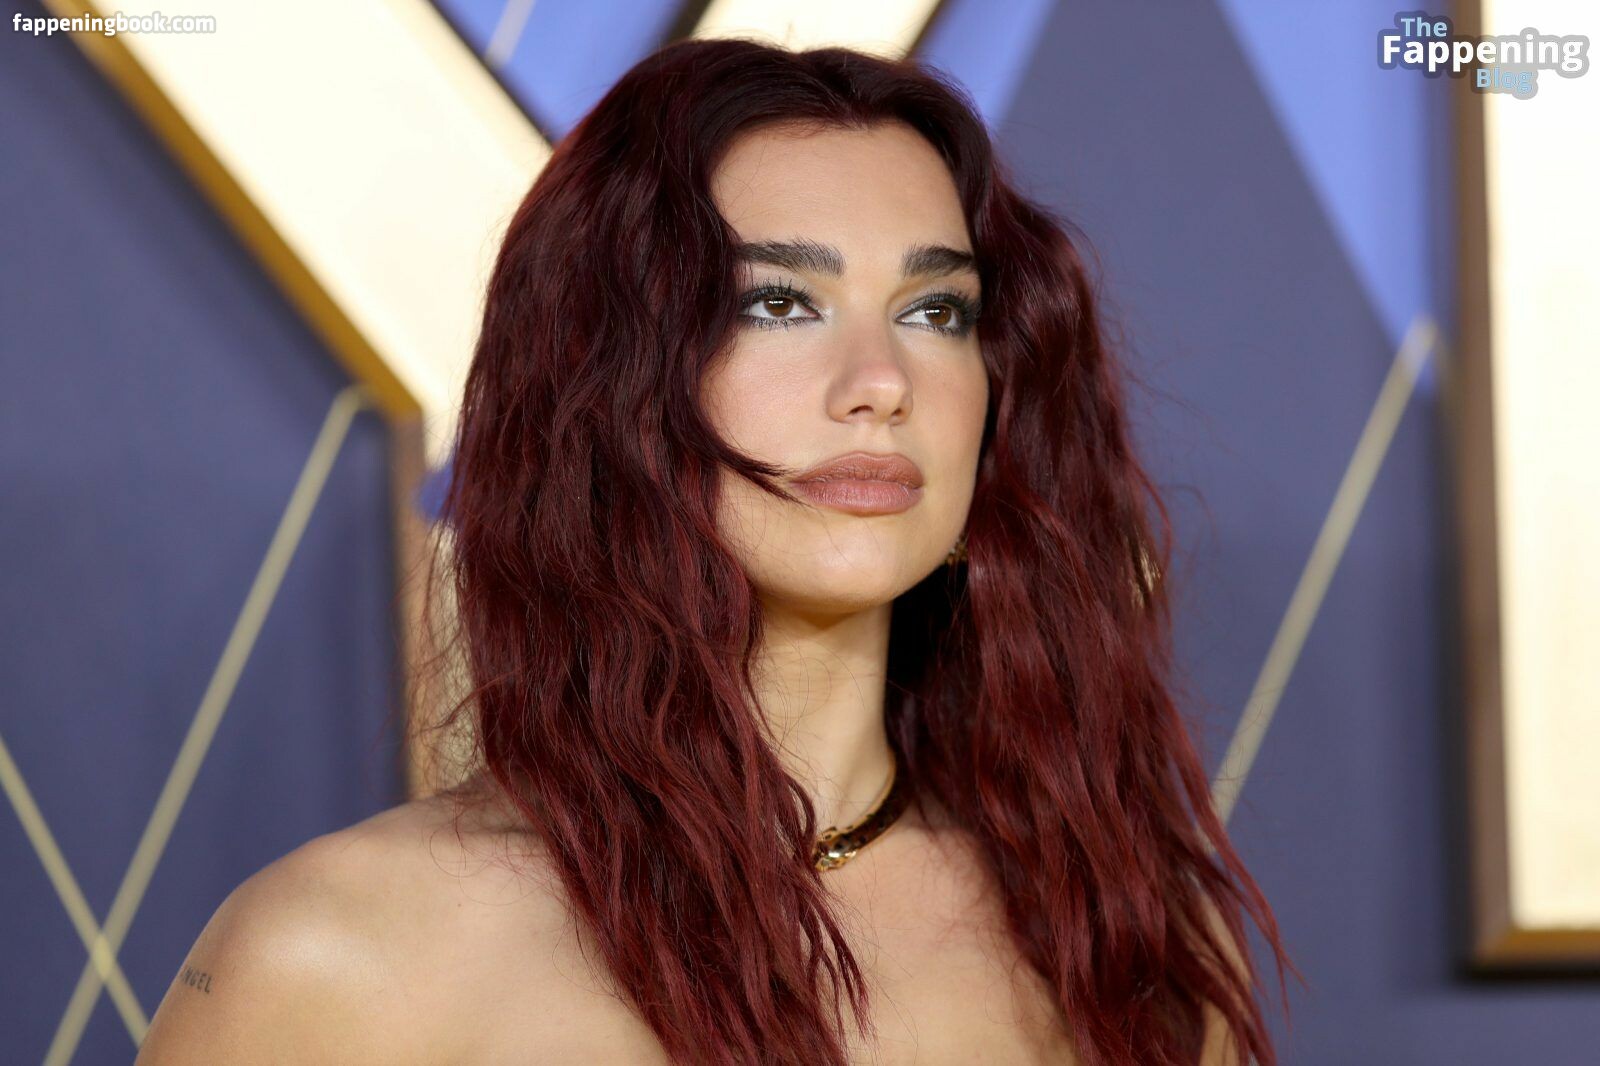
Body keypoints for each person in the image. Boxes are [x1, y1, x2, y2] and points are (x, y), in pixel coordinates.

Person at [136, 37, 1295, 1065]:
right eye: (778, 303)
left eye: (935, 310)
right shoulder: (337, 954)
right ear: (613, 380)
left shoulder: (1121, 938)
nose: (880, 382)